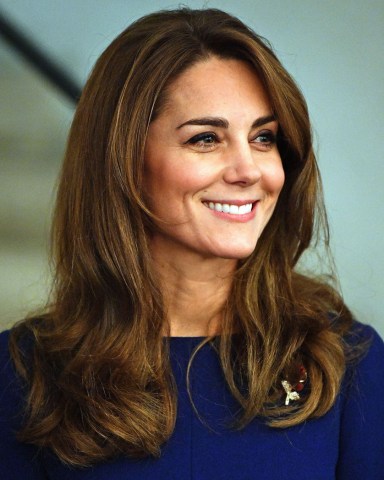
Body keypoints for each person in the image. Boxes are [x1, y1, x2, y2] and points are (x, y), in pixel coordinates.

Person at [1, 7, 383, 479]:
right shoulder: (22, 374)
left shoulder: (345, 360)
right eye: (206, 138)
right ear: (123, 161)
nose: (248, 170)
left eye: (264, 138)